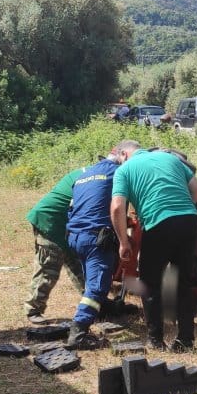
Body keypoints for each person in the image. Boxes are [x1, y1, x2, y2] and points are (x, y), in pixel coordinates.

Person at [110, 146, 197, 351]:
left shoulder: (124, 170)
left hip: (158, 224)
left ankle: (155, 340)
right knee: (183, 282)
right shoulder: (170, 159)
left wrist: (123, 242)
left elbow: (117, 206)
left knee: (150, 283)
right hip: (189, 220)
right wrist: (180, 209)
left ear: (124, 154)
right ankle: (185, 341)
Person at [63, 142, 135, 349]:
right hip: (96, 237)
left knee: (90, 279)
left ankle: (102, 308)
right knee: (97, 286)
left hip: (75, 236)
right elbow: (118, 206)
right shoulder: (119, 174)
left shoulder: (86, 173)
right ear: (122, 155)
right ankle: (78, 333)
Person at [23, 167, 89, 325]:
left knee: (79, 265)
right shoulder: (96, 178)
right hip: (51, 221)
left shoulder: (92, 172)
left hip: (67, 225)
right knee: (49, 268)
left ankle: (93, 302)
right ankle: (33, 309)